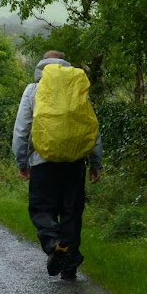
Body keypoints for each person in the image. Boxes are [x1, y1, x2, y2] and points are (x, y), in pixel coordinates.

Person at [12, 50, 102, 280]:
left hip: (43, 162)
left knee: (42, 209)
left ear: (42, 66)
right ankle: (69, 266)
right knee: (71, 212)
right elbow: (91, 128)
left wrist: (22, 161)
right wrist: (95, 163)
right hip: (75, 163)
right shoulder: (76, 88)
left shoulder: (33, 89)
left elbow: (22, 129)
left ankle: (55, 243)